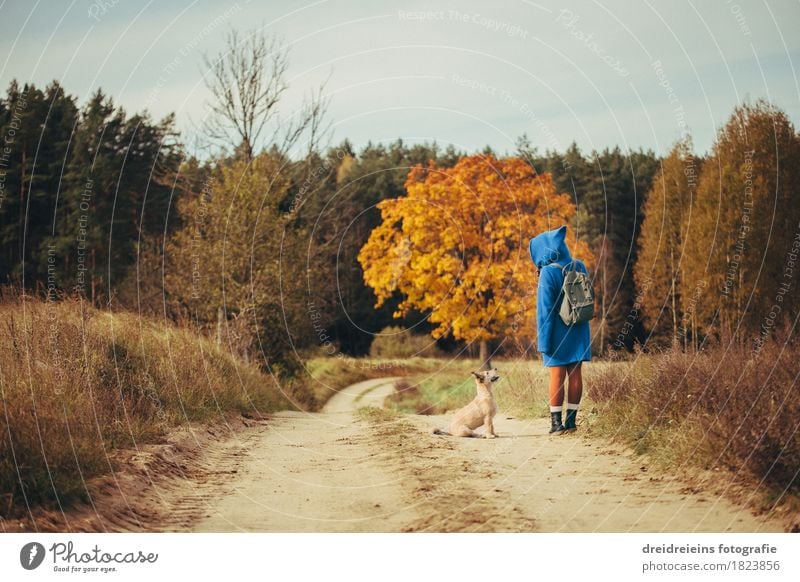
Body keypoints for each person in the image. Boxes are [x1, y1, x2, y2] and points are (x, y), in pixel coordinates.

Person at [528, 225, 592, 435]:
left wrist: (543, 342)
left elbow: (544, 311)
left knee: (556, 375)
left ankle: (556, 425)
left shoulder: (548, 272)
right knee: (575, 374)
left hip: (556, 331)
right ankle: (571, 423)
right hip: (579, 327)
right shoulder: (580, 265)